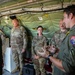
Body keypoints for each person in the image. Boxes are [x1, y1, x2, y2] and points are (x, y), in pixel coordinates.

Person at [37, 5, 75, 75]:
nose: (63, 20)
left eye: (64, 17)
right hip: (57, 62)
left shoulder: (72, 35)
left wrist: (48, 55)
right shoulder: (70, 33)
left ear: (71, 15)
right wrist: (56, 50)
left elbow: (68, 67)